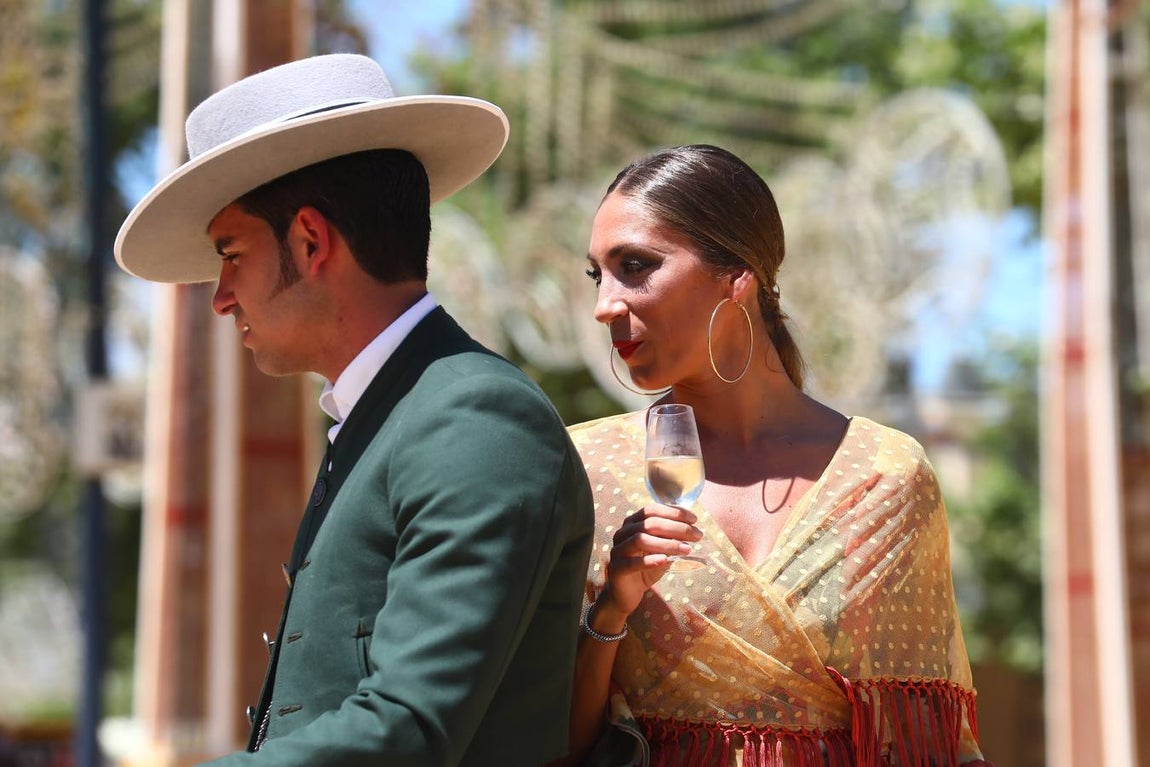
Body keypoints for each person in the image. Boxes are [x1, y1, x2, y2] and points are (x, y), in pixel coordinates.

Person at [114, 54, 594, 766]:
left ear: (310, 242)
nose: (220, 296)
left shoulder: (475, 418)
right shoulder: (397, 413)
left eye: (231, 254)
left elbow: (409, 726)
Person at [563, 144, 991, 766]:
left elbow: (927, 741)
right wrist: (611, 611)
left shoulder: (883, 478)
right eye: (597, 274)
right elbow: (549, 743)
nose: (605, 304)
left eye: (634, 266)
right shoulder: (585, 468)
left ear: (737, 276)